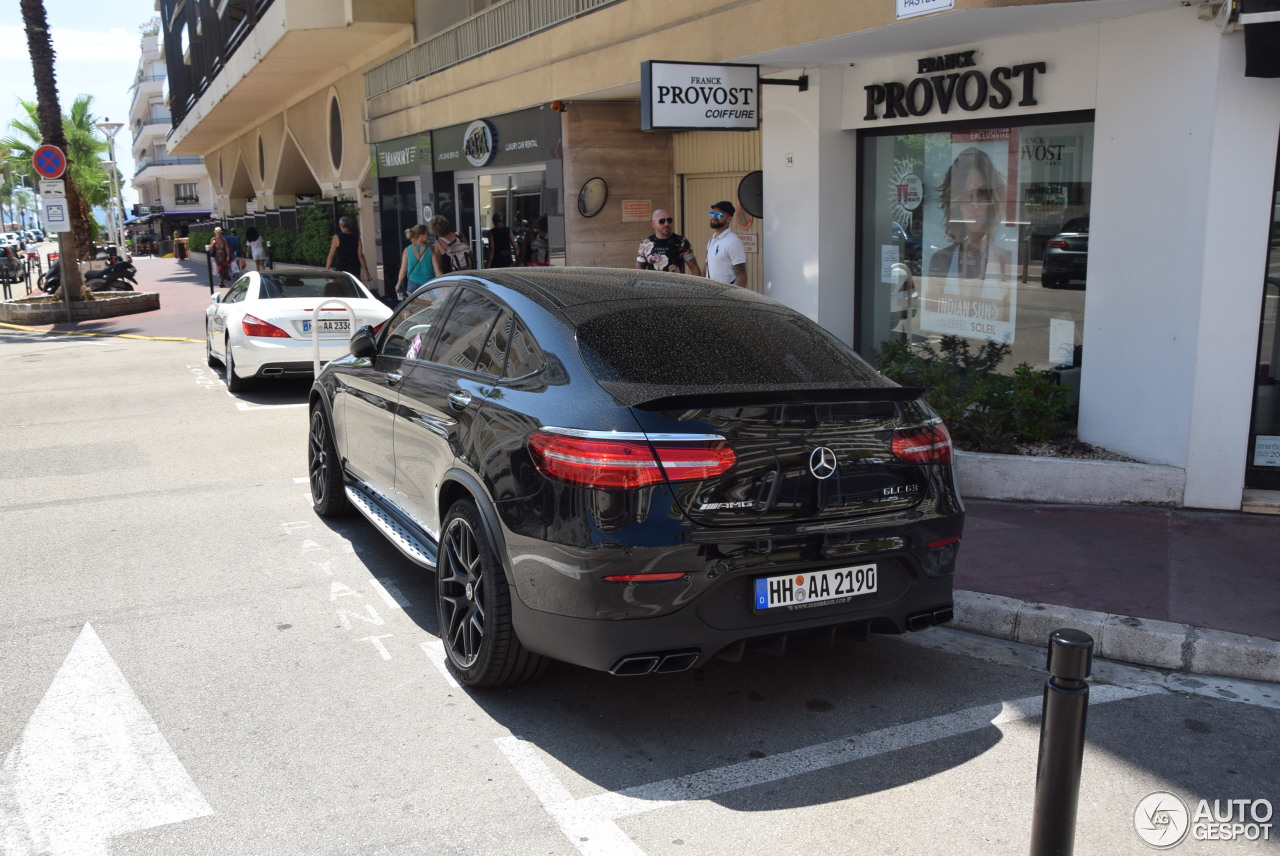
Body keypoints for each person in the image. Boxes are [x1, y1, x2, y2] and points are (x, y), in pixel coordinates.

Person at [924, 146, 1013, 322]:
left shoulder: (1005, 261)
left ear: (992, 200)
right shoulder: (941, 260)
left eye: (981, 194)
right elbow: (932, 323)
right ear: (955, 202)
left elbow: (1006, 325)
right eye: (966, 195)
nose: (974, 205)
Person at [636, 208, 702, 275]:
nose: (666, 224)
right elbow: (639, 269)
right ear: (653, 224)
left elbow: (694, 267)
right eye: (662, 221)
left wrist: (697, 285)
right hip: (653, 285)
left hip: (677, 284)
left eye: (669, 220)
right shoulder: (645, 243)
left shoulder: (681, 242)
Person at [704, 201, 747, 288]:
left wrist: (731, 299)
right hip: (711, 296)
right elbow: (706, 267)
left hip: (725, 297)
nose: (714, 217)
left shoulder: (733, 242)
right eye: (712, 213)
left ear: (729, 219)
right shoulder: (712, 240)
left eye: (719, 215)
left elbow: (742, 277)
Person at [395, 224, 434, 300]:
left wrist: (398, 284)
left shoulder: (407, 250)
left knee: (414, 309)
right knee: (431, 308)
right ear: (421, 235)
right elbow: (438, 270)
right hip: (429, 284)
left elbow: (403, 269)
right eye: (427, 233)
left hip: (413, 284)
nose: (429, 235)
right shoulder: (430, 250)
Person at [325, 215, 370, 280]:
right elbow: (360, 255)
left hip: (342, 268)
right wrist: (366, 271)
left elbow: (331, 255)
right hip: (355, 267)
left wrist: (327, 268)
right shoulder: (356, 237)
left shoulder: (336, 237)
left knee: (342, 288)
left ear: (340, 225)